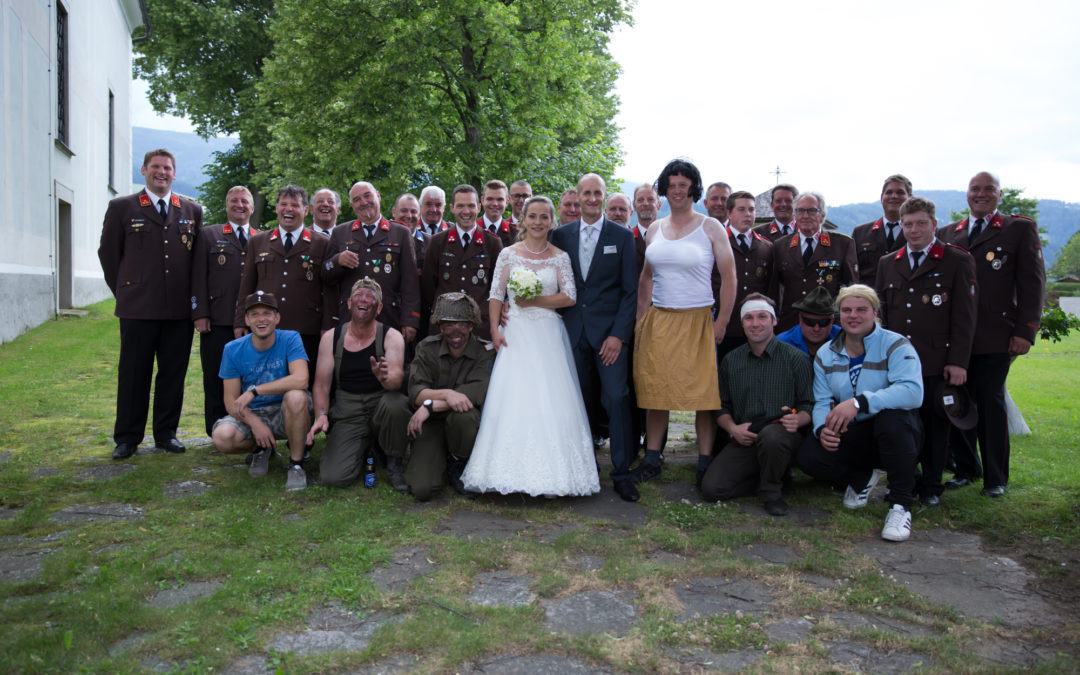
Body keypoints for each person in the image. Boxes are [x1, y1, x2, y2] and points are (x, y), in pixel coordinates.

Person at [462, 196, 600, 497]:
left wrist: (533, 300)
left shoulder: (560, 257)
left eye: (544, 217)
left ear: (552, 221)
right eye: (533, 216)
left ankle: (555, 474)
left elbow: (569, 296)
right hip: (516, 333)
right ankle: (505, 471)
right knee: (514, 396)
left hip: (548, 334)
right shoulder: (509, 255)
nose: (538, 222)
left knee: (551, 398)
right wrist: (496, 330)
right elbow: (496, 294)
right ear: (523, 219)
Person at [936, 171, 1046, 498]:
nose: (981, 194)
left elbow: (1033, 284)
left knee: (991, 403)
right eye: (975, 189)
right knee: (957, 404)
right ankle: (967, 468)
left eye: (988, 189)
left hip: (995, 336)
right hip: (954, 339)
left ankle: (996, 477)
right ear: (966, 194)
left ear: (999, 194)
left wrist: (1026, 331)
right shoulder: (948, 233)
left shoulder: (1018, 229)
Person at [634, 159, 737, 484]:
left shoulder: (711, 227)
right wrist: (641, 319)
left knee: (703, 396)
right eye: (672, 184)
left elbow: (730, 277)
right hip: (660, 320)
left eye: (684, 184)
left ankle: (704, 461)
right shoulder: (654, 229)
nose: (678, 190)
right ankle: (652, 459)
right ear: (664, 189)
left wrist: (721, 322)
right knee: (656, 392)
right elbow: (646, 278)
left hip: (698, 321)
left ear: (693, 188)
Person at [796, 285, 923, 542]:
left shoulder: (896, 344)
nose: (853, 315)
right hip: (856, 430)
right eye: (847, 310)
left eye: (861, 309)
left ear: (874, 312)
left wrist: (860, 402)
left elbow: (912, 392)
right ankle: (862, 476)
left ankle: (900, 505)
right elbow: (821, 401)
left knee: (891, 419)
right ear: (839, 315)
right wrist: (822, 429)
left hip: (896, 429)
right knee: (809, 455)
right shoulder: (826, 353)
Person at [98, 148, 202, 460]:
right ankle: (128, 438)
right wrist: (127, 291)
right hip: (138, 309)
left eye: (167, 168)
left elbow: (195, 262)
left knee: (173, 373)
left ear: (174, 172)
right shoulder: (122, 207)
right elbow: (109, 255)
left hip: (177, 310)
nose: (162, 172)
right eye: (156, 167)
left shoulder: (190, 210)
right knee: (133, 374)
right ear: (144, 171)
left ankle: (166, 433)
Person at [876, 196, 977, 506]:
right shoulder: (888, 263)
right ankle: (905, 483)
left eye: (921, 223)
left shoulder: (956, 260)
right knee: (902, 428)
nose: (914, 230)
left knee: (935, 427)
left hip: (936, 361)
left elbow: (965, 317)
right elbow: (882, 316)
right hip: (898, 363)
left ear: (934, 224)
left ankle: (932, 486)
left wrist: (958, 362)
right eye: (908, 224)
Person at [550, 174, 640, 502]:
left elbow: (630, 292)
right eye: (585, 193)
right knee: (578, 402)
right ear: (577, 195)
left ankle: (621, 472)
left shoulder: (622, 236)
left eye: (596, 193)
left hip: (609, 337)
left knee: (616, 398)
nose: (590, 198)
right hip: (572, 332)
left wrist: (619, 335)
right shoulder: (560, 235)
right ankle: (582, 470)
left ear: (604, 197)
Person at [701, 294, 813, 515]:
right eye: (749, 318)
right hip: (747, 436)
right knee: (712, 490)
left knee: (773, 437)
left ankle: (771, 492)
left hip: (782, 434)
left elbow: (808, 404)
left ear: (774, 321)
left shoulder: (796, 359)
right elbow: (720, 406)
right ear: (742, 323)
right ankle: (771, 476)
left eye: (762, 317)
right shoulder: (731, 361)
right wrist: (733, 429)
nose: (755, 324)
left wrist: (796, 419)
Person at [306, 279, 412, 491]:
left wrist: (384, 378)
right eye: (358, 295)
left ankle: (394, 461)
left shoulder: (392, 336)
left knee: (396, 404)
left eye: (371, 297)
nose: (364, 299)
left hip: (381, 402)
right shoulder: (331, 337)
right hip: (348, 409)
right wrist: (322, 415)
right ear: (349, 303)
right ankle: (367, 448)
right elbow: (321, 385)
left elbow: (396, 379)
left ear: (379, 307)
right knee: (333, 478)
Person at [234, 185, 334, 383]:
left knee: (303, 387)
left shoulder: (321, 243)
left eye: (295, 205)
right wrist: (240, 321)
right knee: (266, 384)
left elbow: (328, 290)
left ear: (306, 210)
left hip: (306, 330)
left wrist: (328, 327)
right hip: (267, 330)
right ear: (276, 208)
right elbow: (247, 286)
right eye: (283, 204)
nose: (288, 209)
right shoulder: (258, 241)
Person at [213, 292, 311, 491]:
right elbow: (231, 402)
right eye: (255, 314)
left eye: (267, 313)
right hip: (255, 413)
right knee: (222, 436)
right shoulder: (232, 349)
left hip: (286, 410)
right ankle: (262, 448)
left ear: (277, 318)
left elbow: (301, 379)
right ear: (247, 320)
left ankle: (296, 464)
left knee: (296, 396)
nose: (261, 319)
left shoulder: (291, 338)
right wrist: (254, 423)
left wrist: (254, 391)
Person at [405, 293, 496, 501]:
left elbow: (472, 395)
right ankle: (437, 459)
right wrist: (447, 394)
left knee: (464, 414)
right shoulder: (427, 348)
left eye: (462, 324)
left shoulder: (485, 352)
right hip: (431, 425)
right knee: (422, 489)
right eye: (448, 324)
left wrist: (428, 405)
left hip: (462, 422)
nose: (455, 330)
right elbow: (416, 392)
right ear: (440, 326)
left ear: (472, 325)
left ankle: (459, 461)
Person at [322, 181, 421, 343]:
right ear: (352, 205)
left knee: (388, 366)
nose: (363, 202)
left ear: (378, 196)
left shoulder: (400, 233)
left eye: (367, 196)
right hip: (350, 319)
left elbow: (410, 283)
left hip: (389, 317)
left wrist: (410, 320)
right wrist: (337, 260)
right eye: (357, 199)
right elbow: (325, 275)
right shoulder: (340, 233)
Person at [192, 185, 253, 436]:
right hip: (217, 319)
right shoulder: (209, 235)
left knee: (248, 378)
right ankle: (215, 428)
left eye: (245, 201)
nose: (240, 205)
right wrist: (200, 313)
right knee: (216, 375)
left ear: (252, 207)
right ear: (227, 205)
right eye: (234, 201)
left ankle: (245, 427)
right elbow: (197, 276)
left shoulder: (260, 237)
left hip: (251, 322)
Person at [421, 185, 503, 340]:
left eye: (471, 206)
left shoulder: (492, 242)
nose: (466, 211)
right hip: (444, 326)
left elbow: (496, 287)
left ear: (479, 207)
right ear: (451, 208)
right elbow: (428, 287)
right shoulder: (438, 242)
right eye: (460, 206)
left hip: (480, 328)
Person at [772, 190, 858, 330]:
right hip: (791, 324)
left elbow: (851, 289)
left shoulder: (842, 244)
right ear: (794, 215)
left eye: (811, 211)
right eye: (800, 211)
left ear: (822, 215)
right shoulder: (781, 245)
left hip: (826, 324)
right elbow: (774, 290)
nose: (805, 216)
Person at [717, 190, 774, 363]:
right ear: (729, 213)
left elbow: (770, 287)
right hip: (724, 327)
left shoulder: (766, 247)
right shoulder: (715, 242)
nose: (748, 214)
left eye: (751, 210)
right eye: (741, 209)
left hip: (756, 328)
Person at [852, 175, 912, 284]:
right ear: (881, 197)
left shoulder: (920, 233)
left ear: (910, 198)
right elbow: (852, 274)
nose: (894, 196)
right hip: (870, 298)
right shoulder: (860, 233)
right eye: (889, 192)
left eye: (900, 192)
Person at [776, 286, 841, 357]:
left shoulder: (844, 338)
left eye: (823, 322)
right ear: (800, 319)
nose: (816, 328)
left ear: (832, 321)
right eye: (810, 322)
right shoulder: (781, 344)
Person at [392, 193, 426, 277]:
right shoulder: (383, 239)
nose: (409, 215)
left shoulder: (430, 243)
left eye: (413, 211)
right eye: (404, 211)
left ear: (420, 214)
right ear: (394, 212)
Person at [631, 184, 660, 277]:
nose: (645, 203)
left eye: (651, 200)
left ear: (659, 204)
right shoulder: (627, 238)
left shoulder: (670, 236)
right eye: (640, 200)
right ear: (634, 206)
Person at [479, 179, 517, 247]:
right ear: (482, 200)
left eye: (500, 199)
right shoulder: (471, 229)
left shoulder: (516, 233)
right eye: (490, 199)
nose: (495, 204)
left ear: (507, 202)